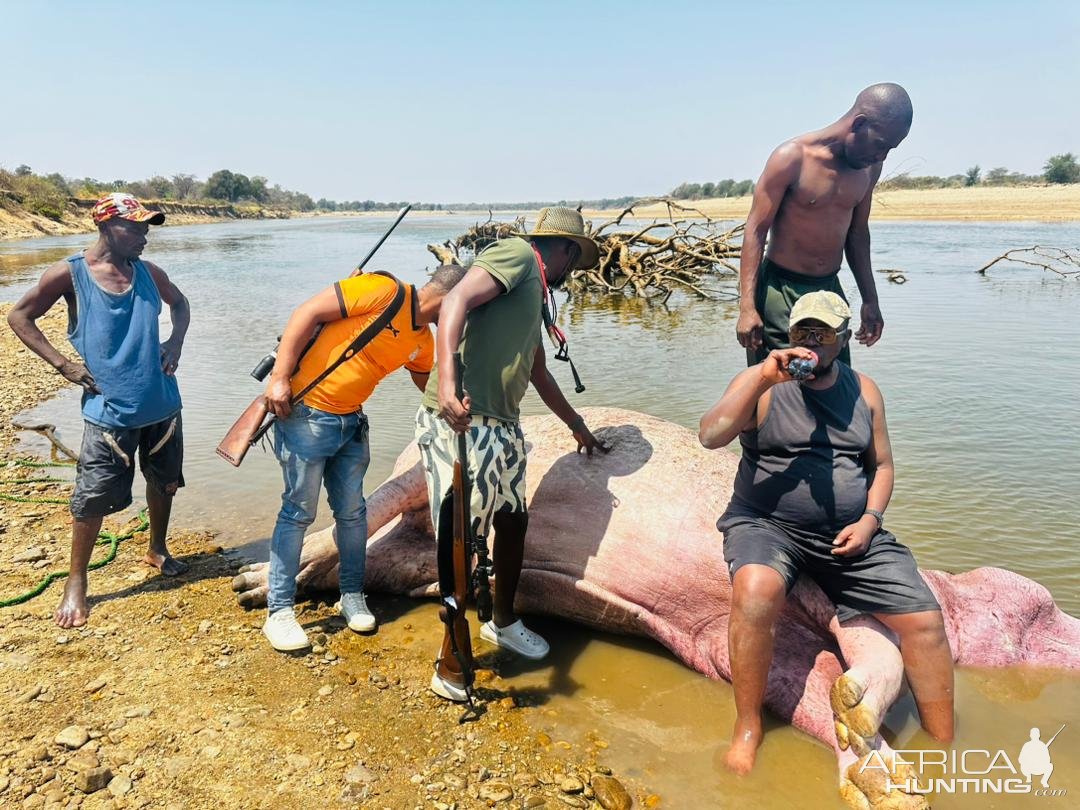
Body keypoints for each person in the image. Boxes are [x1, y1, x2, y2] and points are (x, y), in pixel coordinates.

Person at [699, 290, 953, 774]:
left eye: (823, 333)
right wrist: (760, 377)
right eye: (802, 332)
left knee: (925, 621)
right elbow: (710, 436)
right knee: (755, 592)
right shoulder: (762, 382)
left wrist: (869, 521)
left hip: (850, 533)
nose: (811, 342)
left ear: (842, 339)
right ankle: (748, 726)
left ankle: (944, 743)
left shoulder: (865, 391)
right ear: (788, 334)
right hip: (767, 524)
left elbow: (882, 466)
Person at [417, 206, 607, 702]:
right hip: (464, 417)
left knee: (513, 521)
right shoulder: (518, 255)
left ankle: (501, 621)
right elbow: (455, 298)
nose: (572, 273)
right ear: (564, 250)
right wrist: (447, 384)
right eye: (574, 261)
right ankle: (450, 659)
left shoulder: (535, 294)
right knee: (461, 537)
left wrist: (577, 426)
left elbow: (538, 371)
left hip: (503, 425)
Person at [260, 264, 466, 651]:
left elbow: (428, 384)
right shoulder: (382, 290)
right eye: (464, 307)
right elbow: (306, 313)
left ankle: (351, 595)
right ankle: (280, 610)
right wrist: (280, 378)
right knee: (298, 512)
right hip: (306, 413)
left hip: (352, 424)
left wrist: (456, 405)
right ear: (449, 298)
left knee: (353, 513)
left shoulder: (423, 339)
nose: (462, 317)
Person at [7, 193, 190, 629]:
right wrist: (64, 365)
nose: (145, 236)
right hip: (109, 413)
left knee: (164, 484)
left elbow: (180, 305)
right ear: (107, 226)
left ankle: (157, 549)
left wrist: (175, 342)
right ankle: (76, 581)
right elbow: (20, 316)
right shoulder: (69, 275)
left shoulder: (149, 273)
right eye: (137, 227)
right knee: (90, 500)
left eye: (148, 228)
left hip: (163, 403)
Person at [737, 83, 913, 366]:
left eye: (891, 149)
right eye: (880, 144)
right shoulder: (792, 158)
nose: (882, 156)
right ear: (858, 123)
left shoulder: (869, 168)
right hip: (781, 289)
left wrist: (871, 300)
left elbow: (857, 235)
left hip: (829, 288)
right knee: (778, 385)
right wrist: (747, 307)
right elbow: (755, 231)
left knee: (836, 380)